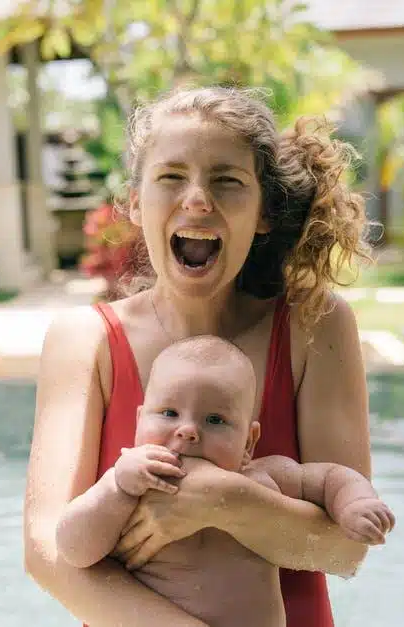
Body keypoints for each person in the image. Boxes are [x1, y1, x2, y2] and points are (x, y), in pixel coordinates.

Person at [24, 85, 376, 627]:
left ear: (263, 212)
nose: (196, 199)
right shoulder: (85, 341)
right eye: (171, 177)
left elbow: (344, 551)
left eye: (226, 180)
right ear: (136, 204)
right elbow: (47, 551)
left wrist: (221, 499)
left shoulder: (313, 326)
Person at [55, 335, 395, 627]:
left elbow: (332, 478)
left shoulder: (265, 478)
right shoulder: (131, 489)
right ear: (139, 421)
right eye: (169, 413)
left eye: (215, 420)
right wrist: (116, 485)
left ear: (248, 442)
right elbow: (73, 549)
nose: (187, 430)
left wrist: (355, 503)